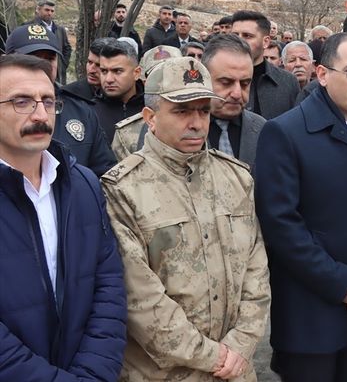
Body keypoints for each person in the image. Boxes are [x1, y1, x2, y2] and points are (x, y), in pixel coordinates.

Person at [102, 56, 270, 381]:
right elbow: (140, 300)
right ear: (150, 117)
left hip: (233, 370)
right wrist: (214, 356)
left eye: (204, 110)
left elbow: (256, 272)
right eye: (181, 111)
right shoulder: (123, 190)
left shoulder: (236, 178)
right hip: (164, 373)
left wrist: (241, 344)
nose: (196, 122)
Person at [255, 33, 347, 382]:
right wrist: (342, 282)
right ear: (322, 74)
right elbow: (281, 225)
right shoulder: (285, 133)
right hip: (311, 319)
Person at [0, 54, 127, 380]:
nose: (41, 115)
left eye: (48, 101)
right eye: (22, 102)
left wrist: (93, 373)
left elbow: (108, 283)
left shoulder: (83, 183)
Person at [4, 24, 116, 176]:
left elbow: (106, 172)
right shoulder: (4, 109)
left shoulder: (82, 112)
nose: (42, 66)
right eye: (32, 58)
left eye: (49, 59)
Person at [202, 34, 266, 169]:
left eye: (245, 84)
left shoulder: (262, 130)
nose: (237, 94)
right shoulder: (177, 128)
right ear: (204, 79)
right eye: (226, 83)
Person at [110, 45, 182, 161]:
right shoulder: (127, 134)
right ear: (145, 82)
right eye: (157, 76)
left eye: (173, 74)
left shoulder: (201, 122)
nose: (167, 81)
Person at [231, 10, 300, 119]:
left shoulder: (288, 82)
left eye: (247, 36)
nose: (239, 41)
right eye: (235, 35)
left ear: (266, 42)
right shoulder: (215, 78)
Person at [94, 38, 145, 143]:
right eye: (104, 71)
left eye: (117, 71)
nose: (108, 79)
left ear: (136, 73)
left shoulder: (153, 108)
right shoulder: (89, 113)